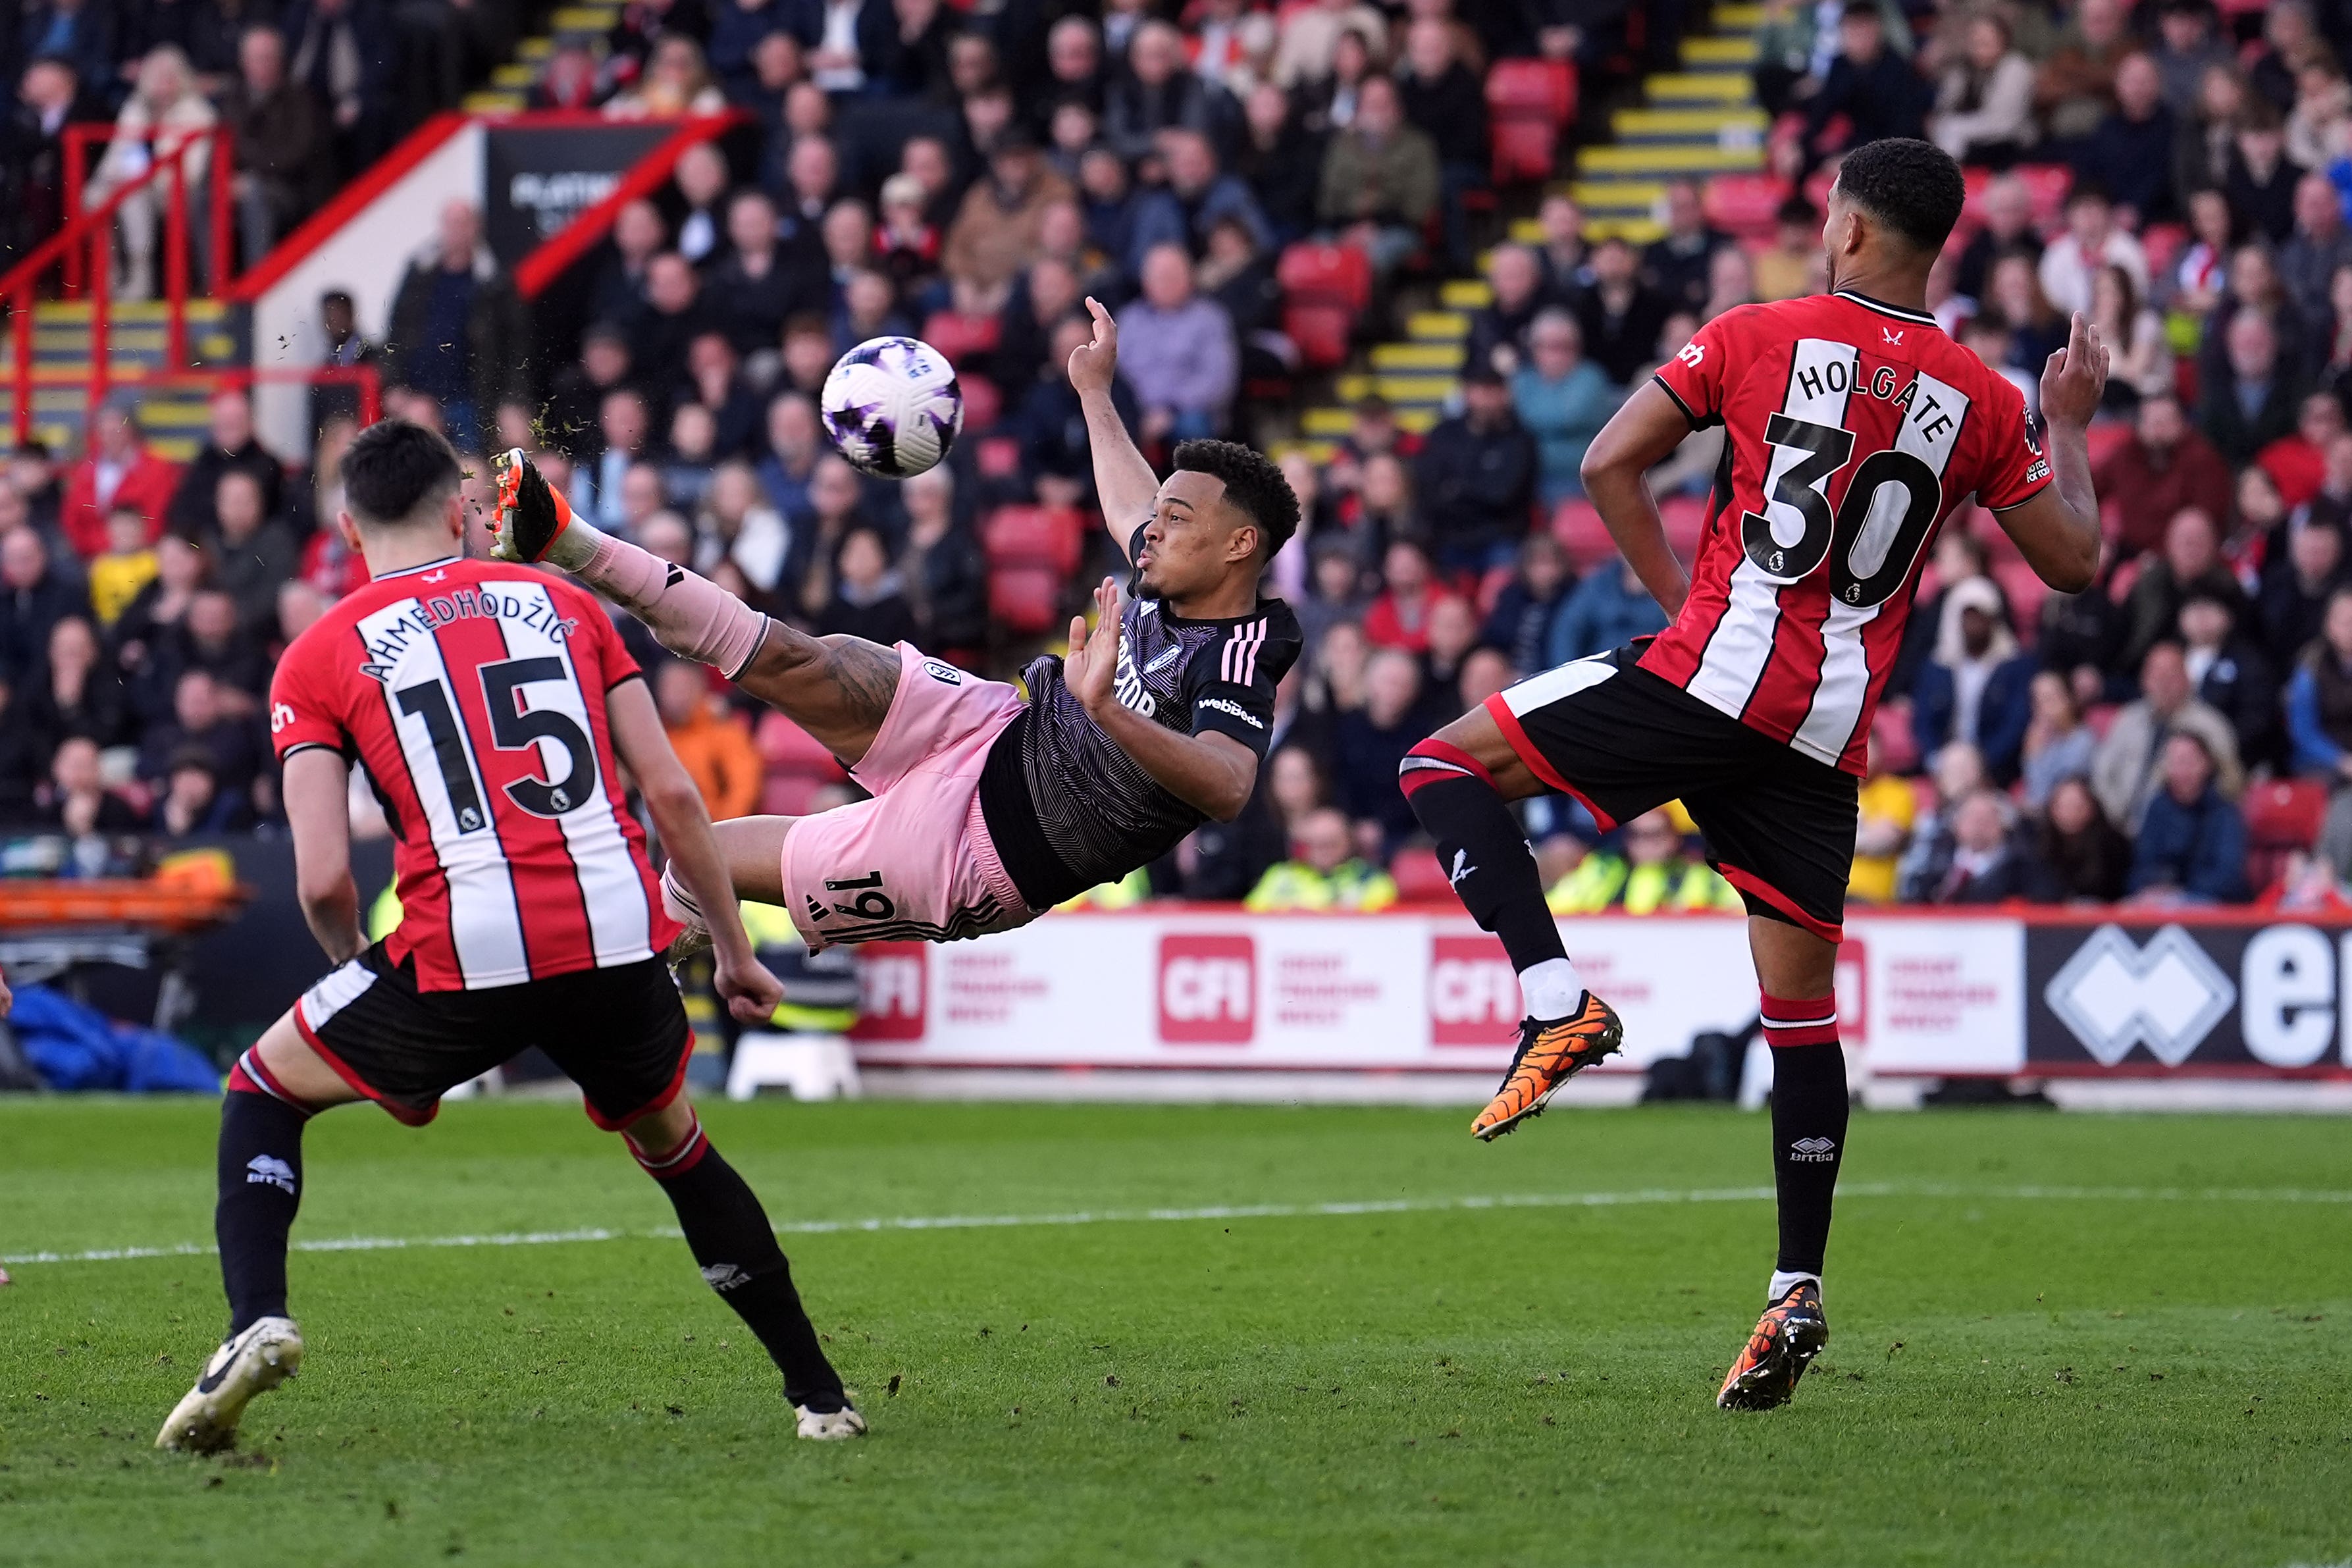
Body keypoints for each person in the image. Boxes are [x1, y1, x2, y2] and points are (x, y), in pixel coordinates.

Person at [1397, 138, 2106, 1413]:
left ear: (1841, 230)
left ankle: (1556, 1000)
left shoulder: (1753, 331)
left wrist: (1680, 610)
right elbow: (2074, 562)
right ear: (1933, 247)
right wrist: (2068, 421)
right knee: (1799, 1018)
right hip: (1822, 737)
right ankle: (1793, 1284)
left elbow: (1607, 464)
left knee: (1438, 762)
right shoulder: (1985, 400)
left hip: (1712, 676)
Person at [154, 420, 866, 1457]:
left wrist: (360, 975)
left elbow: (318, 877)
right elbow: (671, 793)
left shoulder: (317, 654)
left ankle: (254, 1318)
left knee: (263, 1091)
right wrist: (735, 949)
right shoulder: (570, 604)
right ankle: (819, 1395)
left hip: (463, 945)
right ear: (461, 509)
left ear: (350, 528)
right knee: (673, 1145)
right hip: (617, 932)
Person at [490, 296, 1301, 960]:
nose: (1149, 530)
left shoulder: (1240, 651)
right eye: (1157, 516)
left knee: (708, 854)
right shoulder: (1166, 571)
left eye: (1176, 518)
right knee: (805, 658)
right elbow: (1130, 500)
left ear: (1240, 546)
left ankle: (641, 961)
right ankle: (566, 539)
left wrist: (1108, 713)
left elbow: (1229, 786)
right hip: (995, 726)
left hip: (979, 851)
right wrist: (1094, 393)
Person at [383, 199, 531, 447]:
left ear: (476, 228)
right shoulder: (418, 275)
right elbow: (397, 332)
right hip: (421, 395)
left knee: (470, 471)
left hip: (472, 399)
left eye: (463, 223)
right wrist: (394, 384)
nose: (456, 231)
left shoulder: (495, 281)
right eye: (451, 223)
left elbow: (517, 346)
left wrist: (511, 399)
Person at [2092, 640, 2244, 828]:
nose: (2163, 684)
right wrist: (2114, 818)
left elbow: (2230, 785)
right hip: (2117, 829)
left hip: (2181, 832)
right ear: (2144, 680)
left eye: (2171, 676)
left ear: (2187, 679)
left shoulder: (2211, 726)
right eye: (2156, 676)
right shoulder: (2128, 719)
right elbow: (2102, 774)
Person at [1414, 362, 1538, 576]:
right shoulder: (1444, 434)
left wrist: (1457, 490)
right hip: (1450, 536)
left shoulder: (1520, 439)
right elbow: (1429, 487)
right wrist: (1476, 491)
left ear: (1505, 394)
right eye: (1481, 390)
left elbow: (1504, 495)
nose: (1487, 399)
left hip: (1501, 536)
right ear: (1467, 393)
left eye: (1493, 390)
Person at [2127, 731, 2249, 902]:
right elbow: (2143, 864)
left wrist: (2183, 891)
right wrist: (2156, 885)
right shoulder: (2157, 807)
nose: (2181, 771)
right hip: (2158, 898)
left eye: (2188, 762)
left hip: (2209, 902)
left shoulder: (2224, 813)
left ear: (2206, 764)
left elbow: (2228, 875)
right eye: (2174, 762)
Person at [1243, 804, 1398, 910]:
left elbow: (1383, 925)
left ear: (1349, 843)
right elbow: (1249, 917)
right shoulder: (1280, 876)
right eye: (1315, 844)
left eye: (1331, 843)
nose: (1323, 851)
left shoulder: (1371, 880)